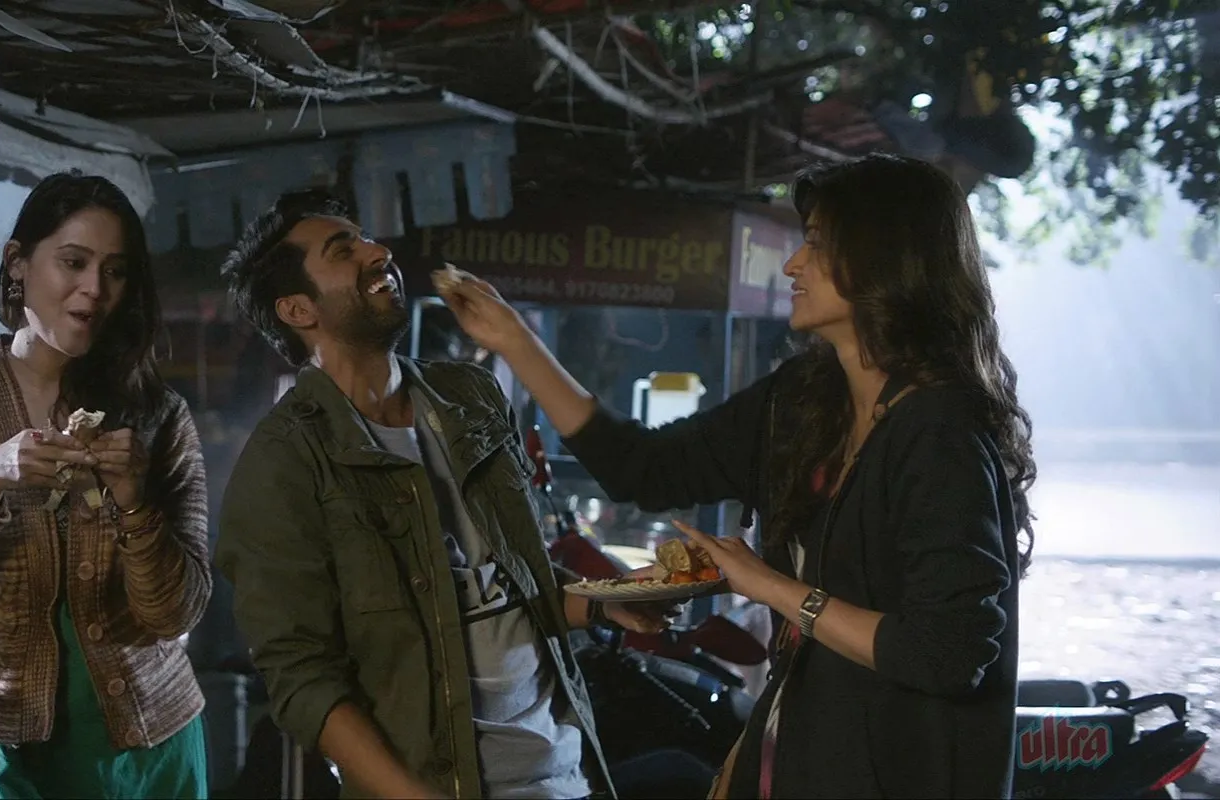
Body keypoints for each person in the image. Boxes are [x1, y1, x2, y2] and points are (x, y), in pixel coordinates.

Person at [439, 154, 1033, 799]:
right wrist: (515, 340)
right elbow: (645, 468)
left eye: (816, 244)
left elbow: (945, 654)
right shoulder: (803, 403)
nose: (793, 264)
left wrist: (768, 584)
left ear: (886, 259)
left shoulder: (938, 434)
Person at [215, 189, 672, 800]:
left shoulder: (471, 398)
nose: (378, 252)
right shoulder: (284, 461)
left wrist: (602, 603)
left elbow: (508, 583)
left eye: (367, 238)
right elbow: (301, 679)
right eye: (344, 251)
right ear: (298, 309)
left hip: (564, 773)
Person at [0, 172, 212, 799]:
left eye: (115, 271)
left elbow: (178, 612)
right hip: (12, 748)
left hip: (156, 744)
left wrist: (134, 503)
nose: (95, 288)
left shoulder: (156, 416)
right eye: (74, 262)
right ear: (17, 263)